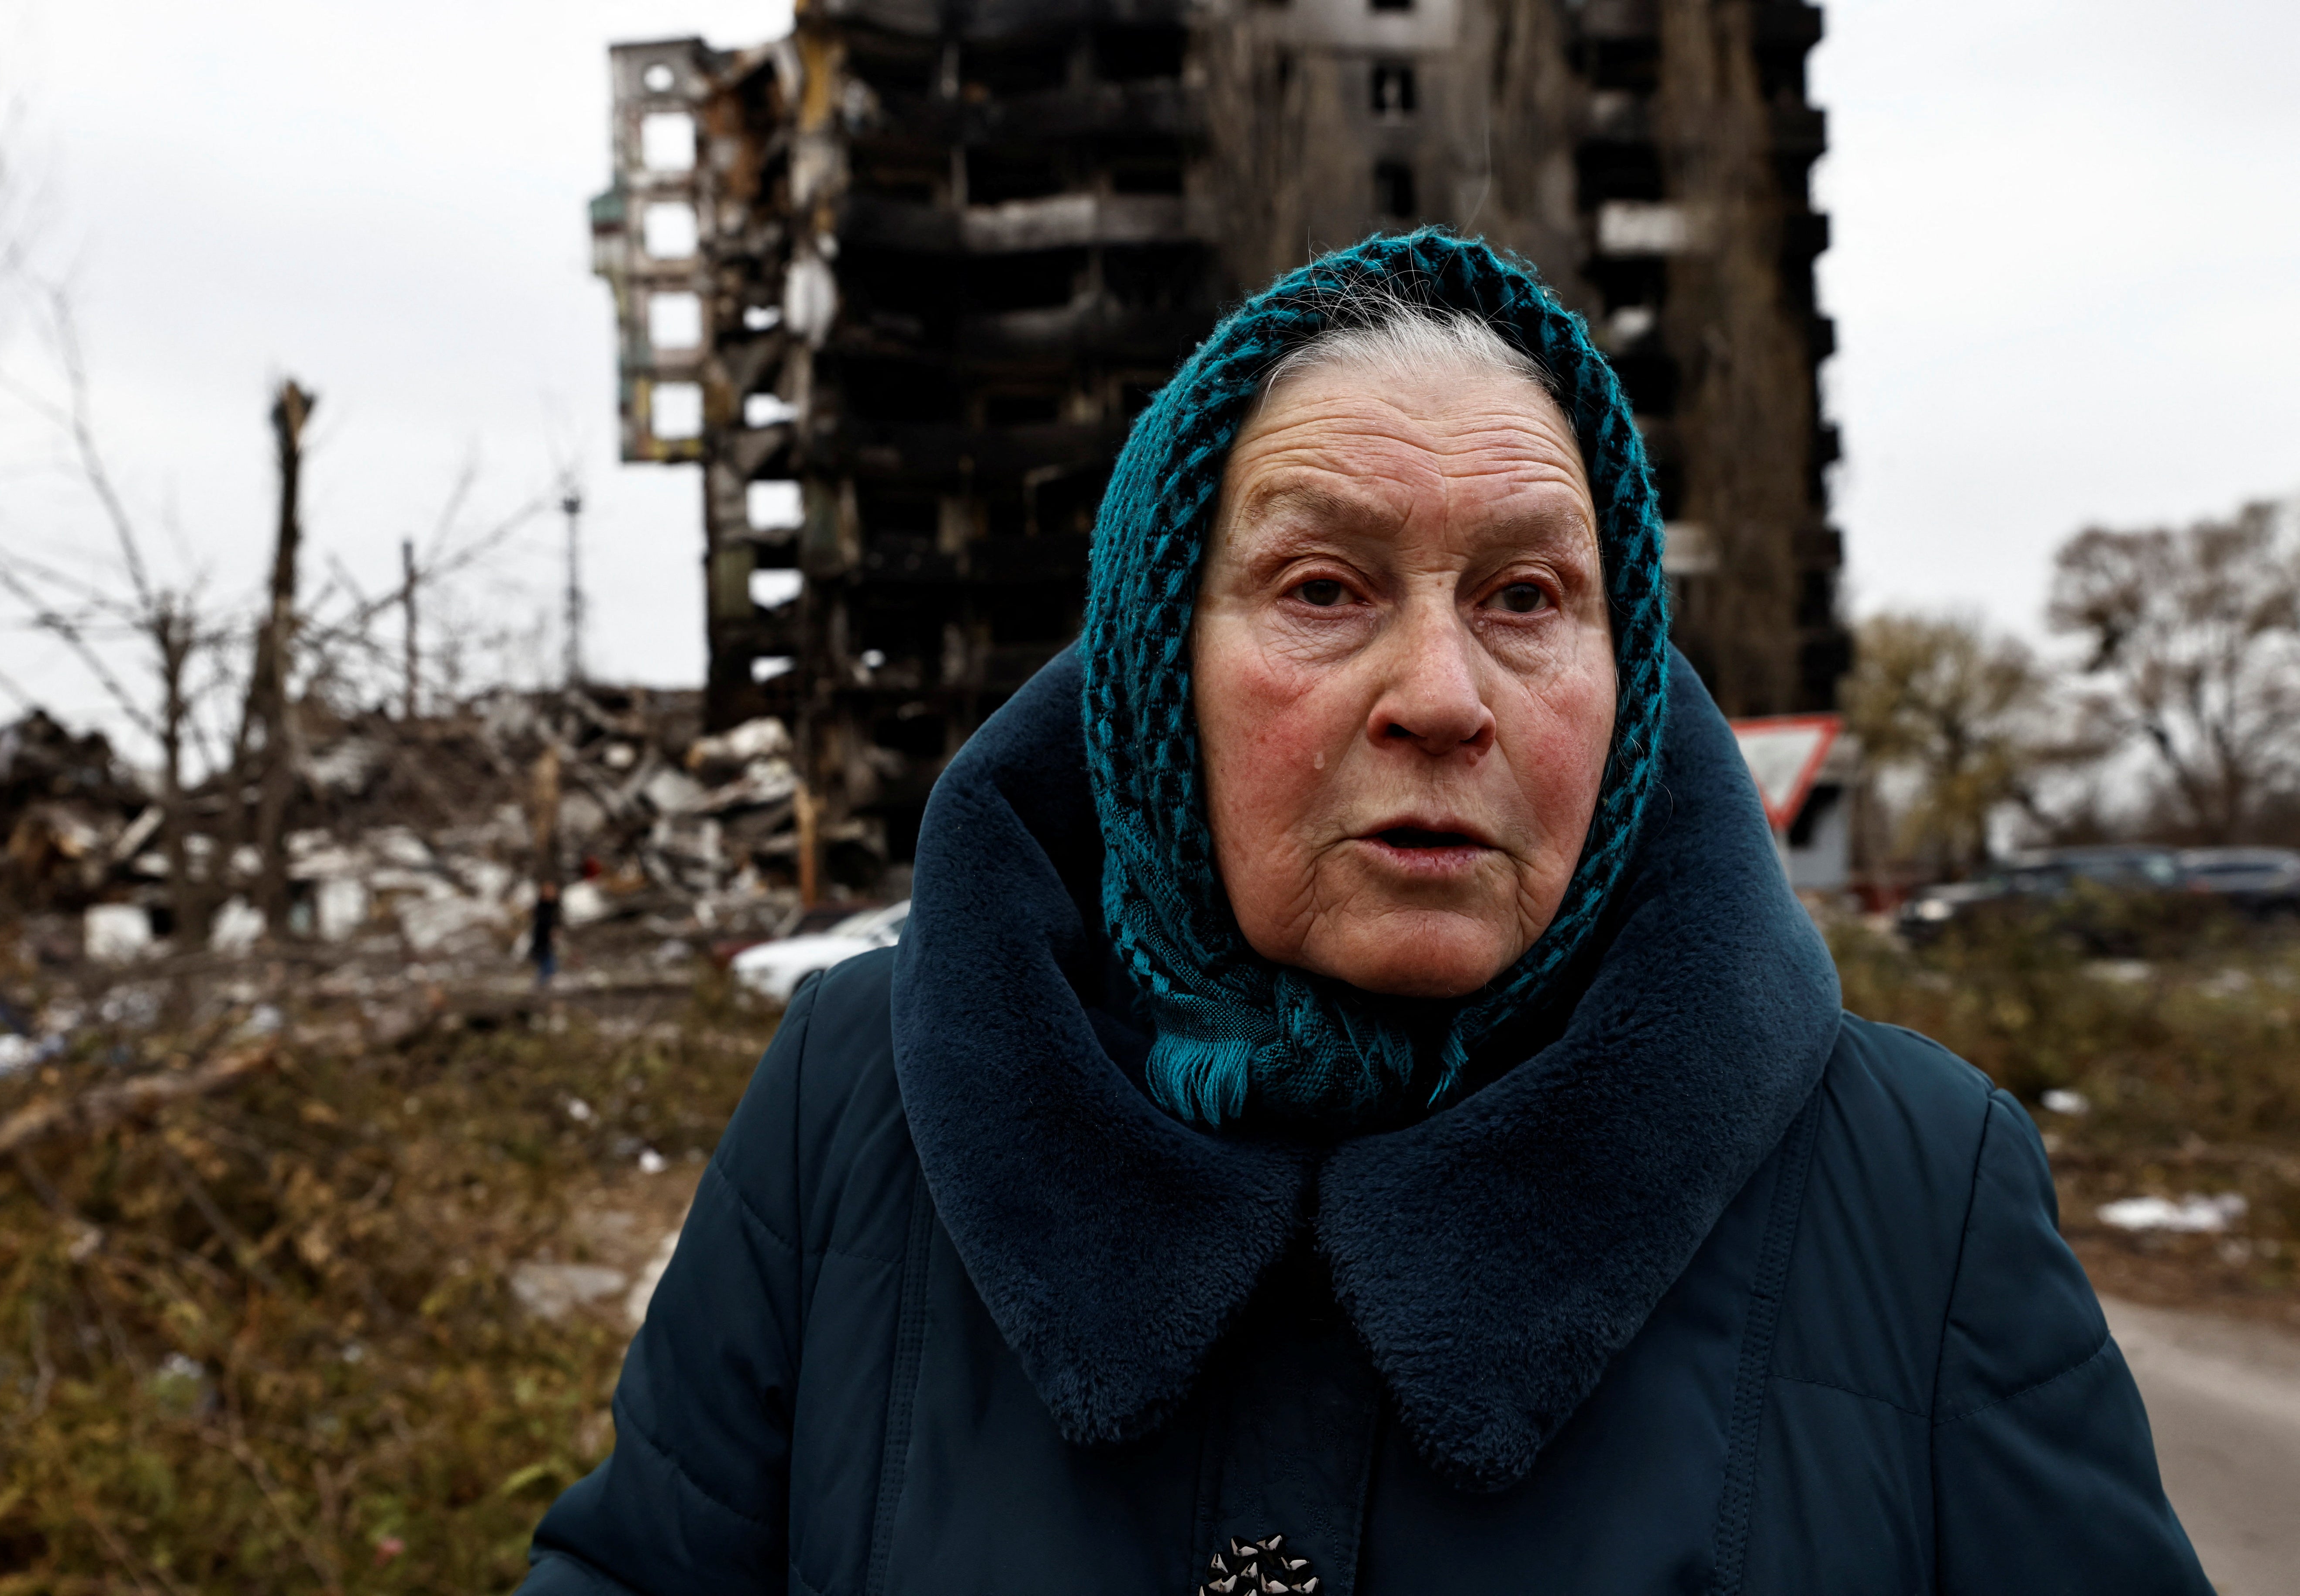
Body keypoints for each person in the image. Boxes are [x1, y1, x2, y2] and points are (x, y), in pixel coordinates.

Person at [516, 233, 2208, 1594]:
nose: (1441, 694)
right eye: (1322, 587)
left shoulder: (1919, 1182)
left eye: (1528, 596)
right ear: (1154, 680)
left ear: (1622, 680)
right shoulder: (854, 1108)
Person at [528, 879, 560, 987]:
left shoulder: (555, 906)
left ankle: (543, 985)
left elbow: (557, 921)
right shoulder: (541, 906)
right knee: (547, 965)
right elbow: (541, 923)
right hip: (542, 939)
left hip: (549, 940)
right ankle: (541, 985)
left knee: (550, 965)